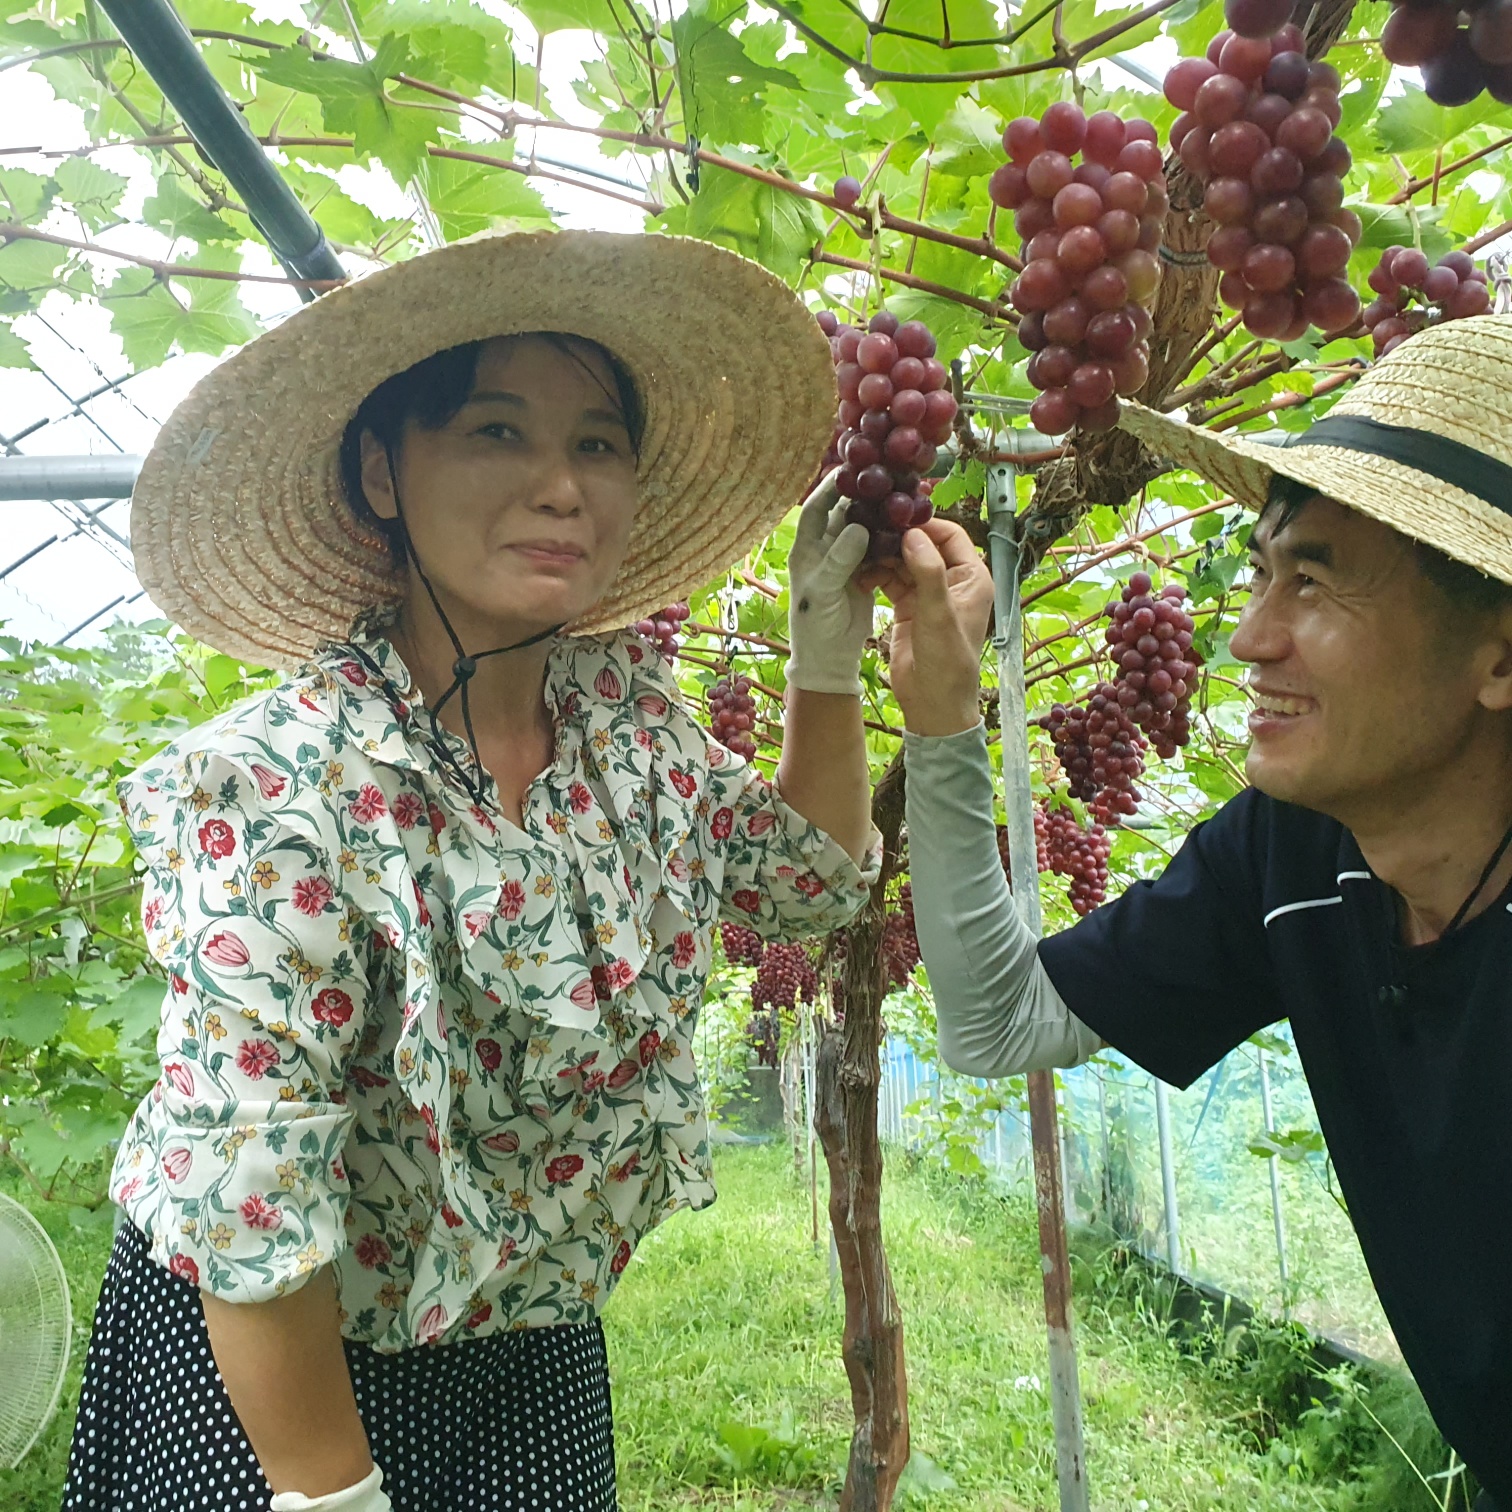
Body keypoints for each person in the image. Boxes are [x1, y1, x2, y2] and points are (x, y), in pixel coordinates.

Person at [63, 230, 884, 1512]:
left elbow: (807, 887)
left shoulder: (627, 727)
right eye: (498, 432)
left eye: (598, 443)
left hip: (526, 1349)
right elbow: (252, 1214)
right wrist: (331, 1496)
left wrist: (825, 650)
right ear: (383, 476)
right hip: (283, 1382)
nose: (563, 485)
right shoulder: (279, 783)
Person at [888, 314, 1512, 1509]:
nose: (1247, 634)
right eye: (1265, 568)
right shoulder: (1293, 852)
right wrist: (943, 726)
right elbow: (996, 1025)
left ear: (1499, 657)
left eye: (1316, 580)